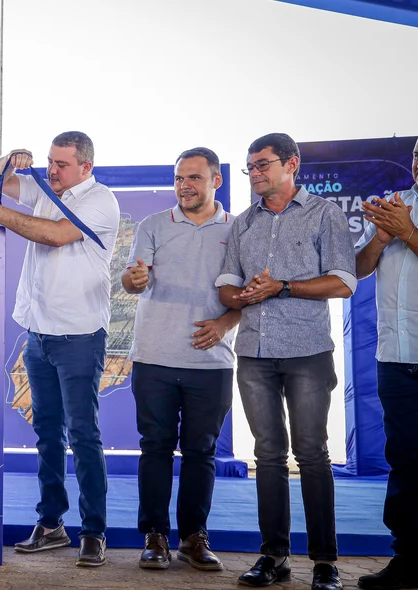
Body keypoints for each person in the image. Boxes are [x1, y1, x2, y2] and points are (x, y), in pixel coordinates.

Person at [0, 132, 119, 566]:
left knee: (84, 436)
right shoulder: (43, 186)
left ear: (86, 168)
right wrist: (12, 157)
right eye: (50, 162)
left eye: (63, 164)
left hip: (78, 336)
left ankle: (94, 531)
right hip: (38, 336)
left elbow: (55, 235)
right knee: (47, 435)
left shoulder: (100, 200)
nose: (53, 170)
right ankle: (51, 523)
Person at [216, 133, 356, 590]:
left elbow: (343, 282)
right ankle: (273, 557)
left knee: (312, 455)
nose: (255, 173)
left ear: (291, 164)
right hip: (254, 352)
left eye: (263, 164)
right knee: (268, 456)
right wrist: (242, 295)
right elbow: (226, 286)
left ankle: (324, 563)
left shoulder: (324, 214)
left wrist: (283, 287)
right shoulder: (242, 223)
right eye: (250, 167)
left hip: (308, 353)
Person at [121, 147, 238, 572]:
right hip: (155, 357)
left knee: (201, 452)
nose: (184, 186)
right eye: (178, 179)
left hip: (212, 363)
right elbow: (133, 280)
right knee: (155, 448)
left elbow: (249, 293)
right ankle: (155, 536)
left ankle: (193, 537)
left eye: (194, 178)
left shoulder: (239, 229)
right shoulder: (154, 225)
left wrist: (225, 323)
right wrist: (132, 280)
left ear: (216, 180)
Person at [353, 139, 418, 590]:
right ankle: (408, 559)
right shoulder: (396, 206)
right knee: (406, 461)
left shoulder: (404, 216)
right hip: (395, 357)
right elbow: (358, 269)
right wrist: (380, 237)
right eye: (417, 154)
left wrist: (409, 232)